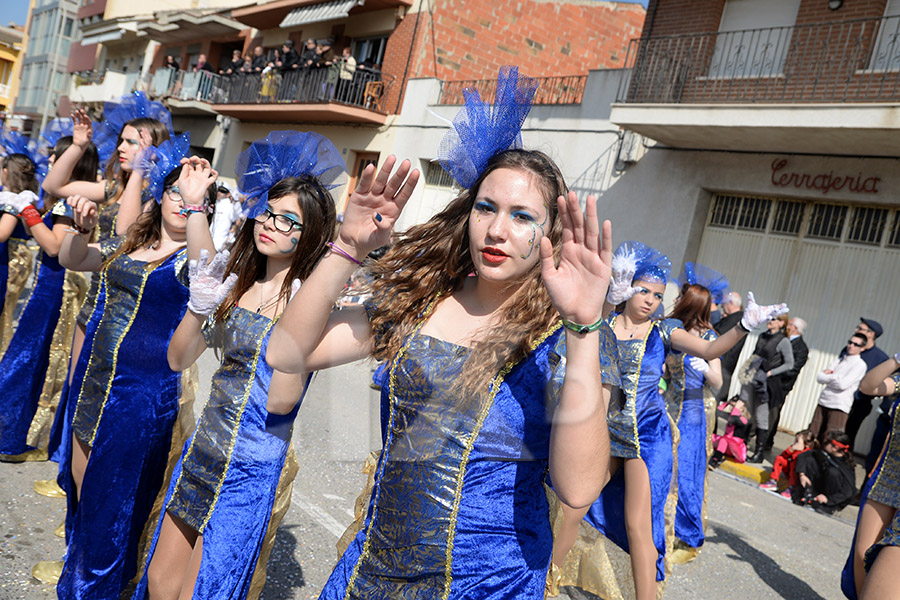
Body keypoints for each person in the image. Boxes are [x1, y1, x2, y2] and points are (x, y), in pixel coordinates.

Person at [267, 67, 620, 600]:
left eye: (523, 216)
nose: (498, 230)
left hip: (490, 584)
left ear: (550, 233)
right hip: (372, 571)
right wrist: (348, 248)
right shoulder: (422, 301)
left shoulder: (567, 336)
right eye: (486, 208)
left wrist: (585, 327)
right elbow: (287, 351)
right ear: (467, 214)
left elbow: (579, 487)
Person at [130, 132, 342, 600]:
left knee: (203, 590)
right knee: (161, 584)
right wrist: (199, 305)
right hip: (202, 448)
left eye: (291, 221)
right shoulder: (237, 281)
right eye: (270, 211)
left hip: (249, 467)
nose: (272, 224)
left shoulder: (310, 302)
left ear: (313, 236)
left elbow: (282, 401)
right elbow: (178, 357)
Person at [550, 242, 787, 600]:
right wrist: (604, 300)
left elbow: (709, 350)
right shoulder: (606, 324)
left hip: (646, 437)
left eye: (658, 295)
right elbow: (580, 330)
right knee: (573, 508)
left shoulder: (664, 331)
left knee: (638, 525)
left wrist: (745, 326)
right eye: (643, 290)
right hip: (603, 431)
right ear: (627, 287)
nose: (649, 300)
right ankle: (543, 584)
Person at [56, 135, 217, 597]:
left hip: (139, 398)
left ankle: (95, 590)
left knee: (111, 503)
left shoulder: (193, 258)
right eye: (175, 194)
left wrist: (197, 205)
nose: (182, 205)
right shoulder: (131, 243)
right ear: (159, 197)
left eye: (192, 199)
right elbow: (73, 258)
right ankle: (81, 573)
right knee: (82, 490)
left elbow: (207, 273)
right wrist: (81, 230)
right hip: (94, 381)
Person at [0, 134, 97, 460]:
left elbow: (55, 246)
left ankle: (14, 439)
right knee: (25, 359)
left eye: (58, 156)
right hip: (47, 285)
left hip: (55, 287)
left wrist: (25, 210)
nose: (52, 162)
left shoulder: (70, 201)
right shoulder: (63, 198)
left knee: (25, 362)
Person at [663, 262, 726, 563]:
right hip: (667, 405)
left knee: (686, 467)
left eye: (682, 297)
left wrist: (706, 369)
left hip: (692, 410)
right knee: (664, 466)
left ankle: (687, 534)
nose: (676, 300)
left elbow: (718, 382)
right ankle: (662, 525)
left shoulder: (709, 338)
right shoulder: (673, 331)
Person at [840, 354, 900, 599]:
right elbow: (869, 386)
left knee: (891, 557)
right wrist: (897, 359)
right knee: (863, 555)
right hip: (890, 476)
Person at [742, 314, 794, 463]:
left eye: (774, 319)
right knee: (749, 413)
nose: (770, 321)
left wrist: (771, 372)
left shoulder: (783, 341)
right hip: (755, 379)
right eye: (769, 318)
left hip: (769, 384)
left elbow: (789, 364)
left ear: (781, 323)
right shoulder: (762, 336)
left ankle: (759, 453)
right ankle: (742, 446)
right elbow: (754, 355)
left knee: (762, 416)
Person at [808, 333, 868, 441]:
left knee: (831, 439)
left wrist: (830, 376)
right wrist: (835, 377)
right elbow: (820, 377)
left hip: (839, 405)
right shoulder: (840, 360)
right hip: (824, 401)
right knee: (813, 434)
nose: (851, 346)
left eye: (856, 344)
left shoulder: (860, 365)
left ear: (863, 348)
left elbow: (843, 385)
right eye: (850, 342)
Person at [765, 316, 810, 451]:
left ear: (795, 328)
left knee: (773, 412)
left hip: (781, 385)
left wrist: (774, 372)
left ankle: (767, 441)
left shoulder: (801, 348)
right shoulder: (781, 339)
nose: (786, 326)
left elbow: (793, 369)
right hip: (767, 380)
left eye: (789, 324)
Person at [846, 318, 890, 449]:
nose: (856, 330)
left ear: (871, 334)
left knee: (848, 436)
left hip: (859, 403)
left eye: (860, 328)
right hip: (841, 398)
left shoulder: (881, 358)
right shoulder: (851, 348)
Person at [794, 430, 856, 514]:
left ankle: (828, 507)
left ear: (835, 448)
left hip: (832, 498)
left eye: (827, 442)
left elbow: (848, 492)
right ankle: (807, 495)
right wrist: (802, 474)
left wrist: (828, 500)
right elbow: (803, 455)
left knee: (833, 472)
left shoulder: (846, 466)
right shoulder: (824, 453)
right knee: (810, 460)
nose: (824, 444)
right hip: (819, 489)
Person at [759, 429, 815, 498]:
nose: (796, 443)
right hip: (790, 473)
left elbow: (801, 464)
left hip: (798, 477)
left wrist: (798, 451)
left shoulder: (808, 453)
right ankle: (773, 482)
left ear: (806, 444)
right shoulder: (793, 448)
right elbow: (783, 456)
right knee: (780, 458)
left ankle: (792, 488)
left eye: (798, 442)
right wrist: (791, 449)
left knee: (794, 463)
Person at [714, 291, 745, 404]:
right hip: (722, 366)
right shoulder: (732, 319)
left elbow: (718, 335)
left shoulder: (736, 320)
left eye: (724, 303)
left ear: (731, 303)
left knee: (712, 403)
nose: (722, 306)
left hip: (723, 366)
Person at [709, 398, 752, 467]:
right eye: (731, 406)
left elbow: (733, 420)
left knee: (724, 440)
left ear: (742, 409)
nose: (732, 408)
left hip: (736, 448)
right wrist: (726, 404)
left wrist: (736, 409)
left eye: (734, 406)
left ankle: (715, 459)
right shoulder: (732, 415)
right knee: (710, 436)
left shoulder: (744, 420)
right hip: (726, 445)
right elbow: (716, 412)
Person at [210, 184, 240, 251]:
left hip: (220, 242)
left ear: (228, 194)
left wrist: (230, 236)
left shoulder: (231, 207)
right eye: (219, 190)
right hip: (208, 237)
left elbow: (238, 220)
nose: (219, 193)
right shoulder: (214, 203)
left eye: (222, 191)